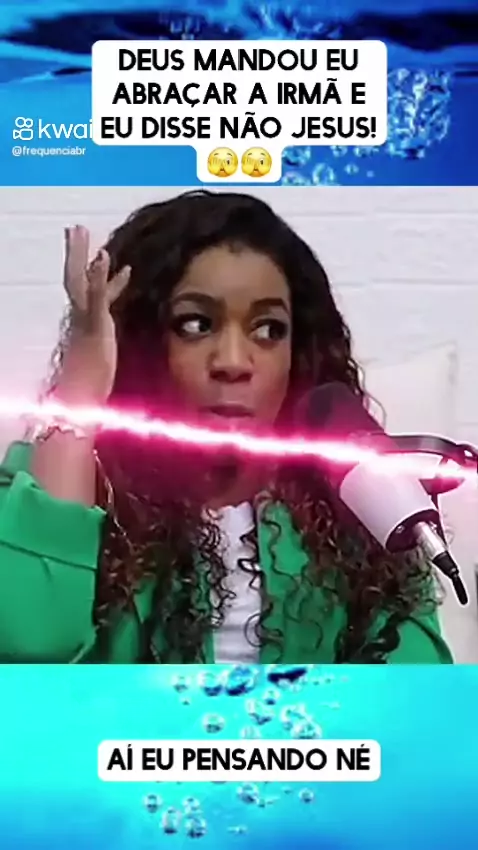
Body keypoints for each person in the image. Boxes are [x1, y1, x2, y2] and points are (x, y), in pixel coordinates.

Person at [0, 190, 453, 664]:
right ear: (140, 345)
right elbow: (29, 654)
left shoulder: (360, 501)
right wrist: (82, 384)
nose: (234, 362)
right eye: (195, 325)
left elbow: (421, 687)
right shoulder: (44, 484)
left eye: (268, 330)